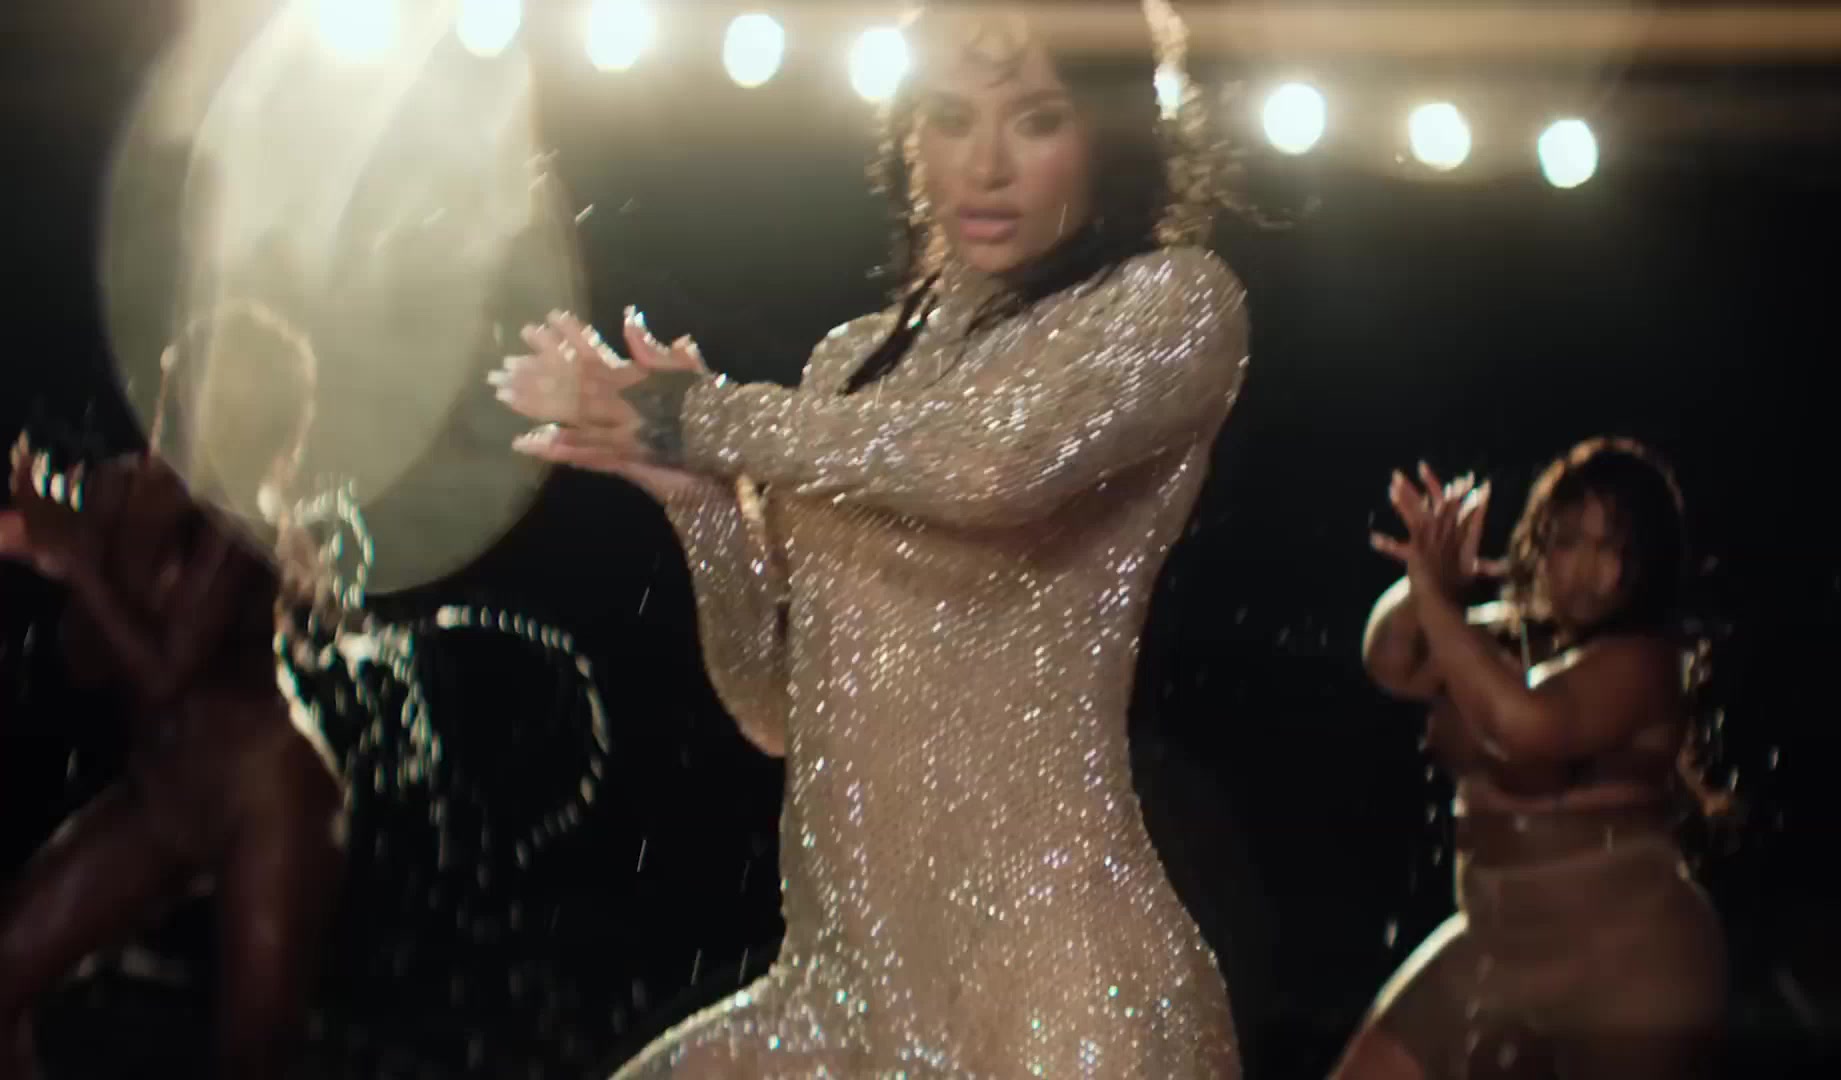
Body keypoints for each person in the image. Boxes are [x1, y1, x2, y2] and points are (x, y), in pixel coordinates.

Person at [492, 1, 1249, 1073]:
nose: (985, 164)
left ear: (1112, 132)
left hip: (1069, 1013)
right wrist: (700, 503)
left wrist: (699, 415)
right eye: (950, 115)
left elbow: (989, 465)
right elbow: (774, 710)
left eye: (1037, 119)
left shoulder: (1171, 306)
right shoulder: (848, 369)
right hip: (838, 1007)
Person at [0, 303, 348, 1080]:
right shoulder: (117, 488)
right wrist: (62, 548)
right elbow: (84, 655)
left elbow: (166, 676)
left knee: (252, 1063)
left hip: (271, 804)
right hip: (165, 795)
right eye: (182, 376)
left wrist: (81, 563)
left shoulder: (241, 524)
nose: (180, 397)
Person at [1335, 438, 1728, 1080]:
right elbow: (1390, 659)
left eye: (1613, 547)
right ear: (1538, 544)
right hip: (1496, 947)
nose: (1586, 567)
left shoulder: (1647, 663)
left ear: (1649, 561)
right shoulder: (1506, 632)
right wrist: (1428, 584)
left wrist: (1435, 597)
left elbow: (1527, 722)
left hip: (1628, 962)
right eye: (1569, 540)